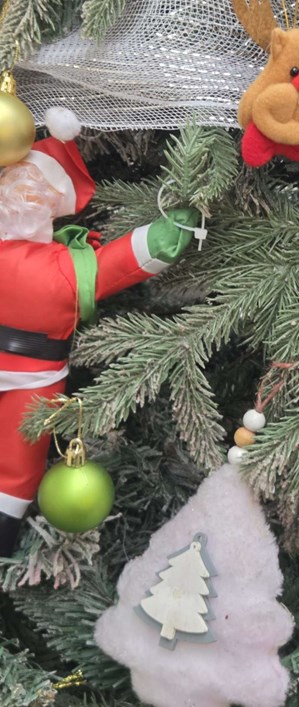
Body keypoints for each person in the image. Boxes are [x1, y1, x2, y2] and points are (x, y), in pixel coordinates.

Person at [0, 108, 197, 554]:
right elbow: (120, 262)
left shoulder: (65, 267)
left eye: (31, 190)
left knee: (17, 460)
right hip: (38, 376)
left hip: (35, 380)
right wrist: (169, 233)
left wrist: (168, 233)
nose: (21, 197)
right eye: (16, 186)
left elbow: (119, 263)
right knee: (16, 462)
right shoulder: (66, 267)